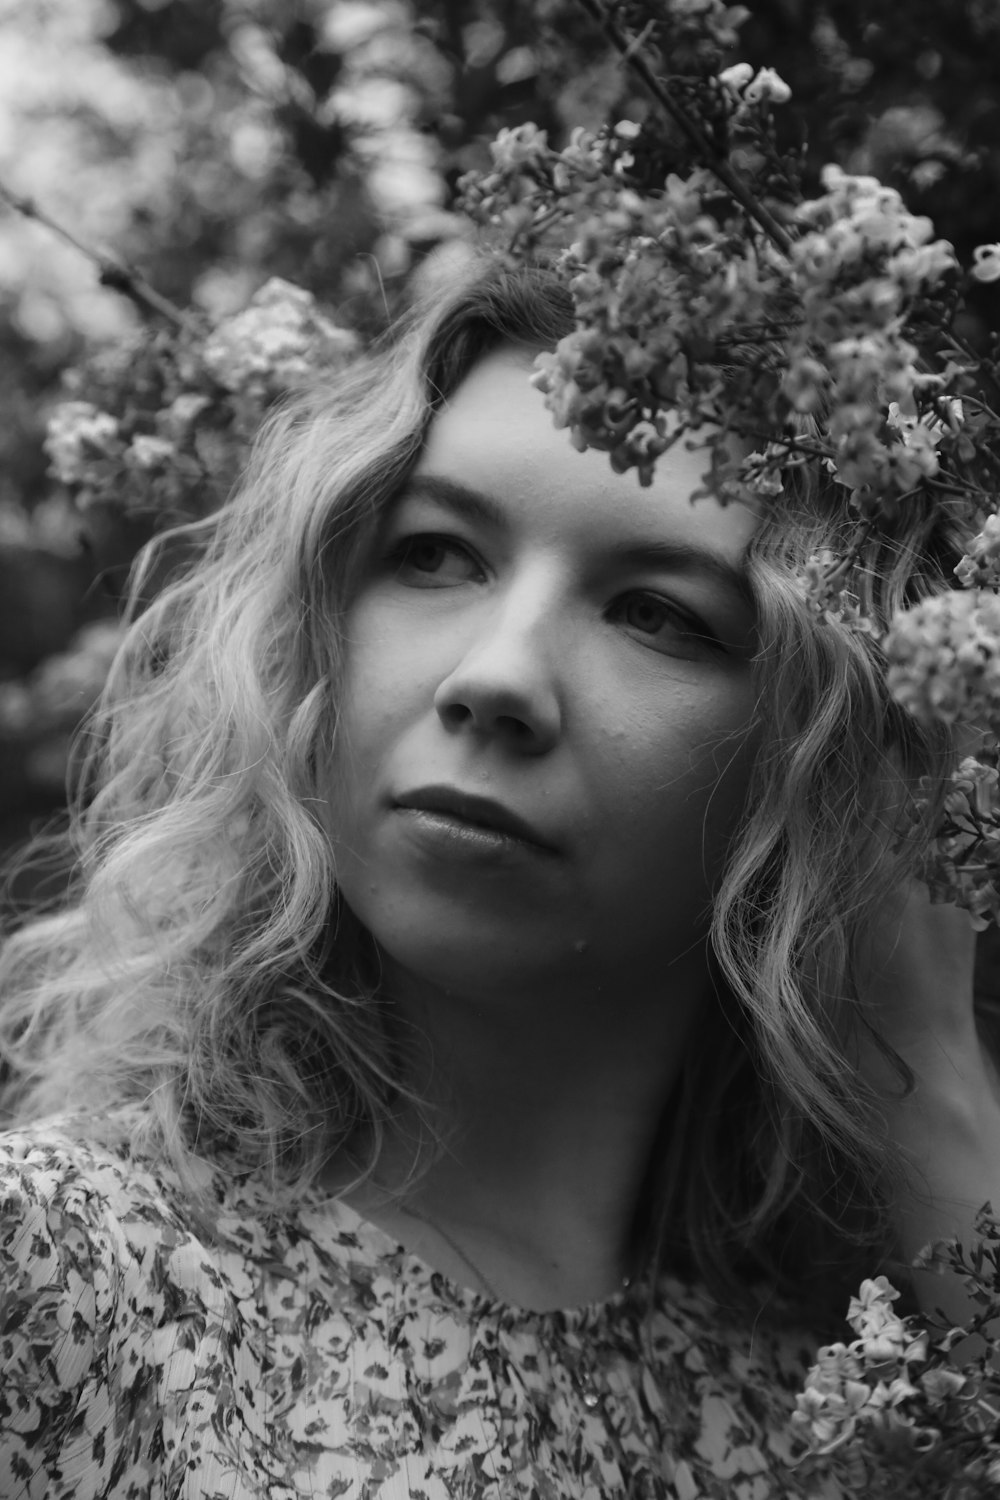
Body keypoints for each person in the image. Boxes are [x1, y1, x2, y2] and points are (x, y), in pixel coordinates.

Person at [0, 258, 996, 1500]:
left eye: (659, 615)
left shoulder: (842, 1427)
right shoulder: (57, 1271)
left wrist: (938, 1105)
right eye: (435, 554)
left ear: (830, 766)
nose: (498, 676)